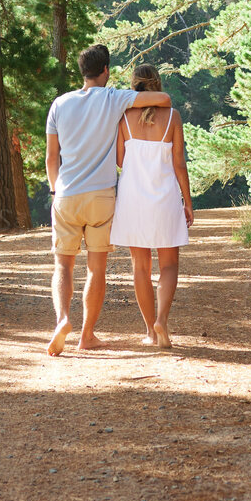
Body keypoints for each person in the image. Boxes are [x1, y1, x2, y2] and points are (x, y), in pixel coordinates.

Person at [45, 44, 170, 355]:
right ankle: (87, 335)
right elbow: (163, 99)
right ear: (106, 71)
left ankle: (62, 320)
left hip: (66, 194)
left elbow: (51, 158)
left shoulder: (59, 104)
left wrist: (54, 188)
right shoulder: (115, 97)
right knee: (95, 269)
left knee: (63, 266)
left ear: (82, 72)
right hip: (102, 196)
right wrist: (144, 92)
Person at [108, 65, 193, 348]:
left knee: (140, 267)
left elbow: (120, 161)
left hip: (133, 198)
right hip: (166, 197)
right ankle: (162, 320)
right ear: (158, 83)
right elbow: (179, 164)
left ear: (134, 85)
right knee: (169, 265)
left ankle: (149, 331)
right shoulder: (173, 116)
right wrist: (188, 202)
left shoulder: (124, 117)